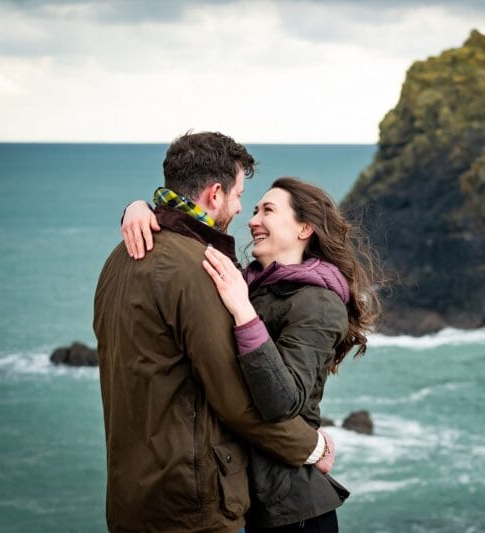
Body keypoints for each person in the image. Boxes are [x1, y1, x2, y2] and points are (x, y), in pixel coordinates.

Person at [94, 132, 334, 533]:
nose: (244, 212)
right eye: (241, 197)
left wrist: (136, 206)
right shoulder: (198, 268)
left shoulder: (119, 258)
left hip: (130, 500)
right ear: (215, 193)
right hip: (192, 503)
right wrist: (310, 446)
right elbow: (235, 398)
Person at [121, 177, 382, 532]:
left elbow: (281, 400)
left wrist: (243, 311)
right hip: (247, 500)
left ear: (305, 228)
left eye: (268, 210)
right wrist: (137, 209)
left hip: (292, 511)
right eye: (255, 208)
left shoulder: (318, 303)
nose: (253, 219)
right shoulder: (249, 282)